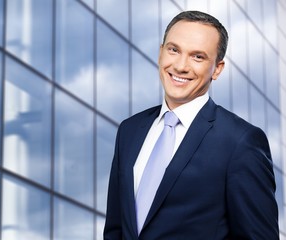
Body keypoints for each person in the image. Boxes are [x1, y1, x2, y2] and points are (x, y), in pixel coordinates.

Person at [104, 10, 279, 239]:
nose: (180, 66)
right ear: (160, 53)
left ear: (217, 69)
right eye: (174, 50)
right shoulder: (129, 130)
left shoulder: (240, 142)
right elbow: (116, 230)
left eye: (197, 57)